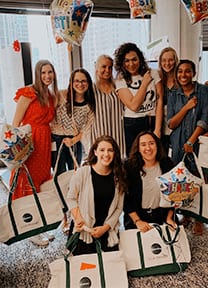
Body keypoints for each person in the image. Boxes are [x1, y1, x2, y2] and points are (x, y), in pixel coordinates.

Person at [10, 59, 59, 247]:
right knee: (26, 184)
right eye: (44, 72)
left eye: (50, 72)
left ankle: (40, 226)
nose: (47, 76)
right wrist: (18, 151)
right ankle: (29, 229)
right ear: (37, 74)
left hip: (44, 143)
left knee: (39, 184)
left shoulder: (50, 95)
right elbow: (15, 124)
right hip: (29, 142)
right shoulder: (28, 93)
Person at [167, 59, 208, 235]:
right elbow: (171, 123)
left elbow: (205, 119)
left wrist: (191, 141)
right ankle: (186, 215)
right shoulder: (173, 94)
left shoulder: (204, 92)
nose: (183, 75)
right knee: (182, 181)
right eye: (180, 72)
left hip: (198, 142)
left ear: (194, 73)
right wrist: (187, 107)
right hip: (178, 142)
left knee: (199, 179)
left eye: (187, 71)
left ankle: (199, 219)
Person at [51, 68, 95, 233]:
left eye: (83, 81)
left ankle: (76, 216)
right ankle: (64, 218)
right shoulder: (61, 96)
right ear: (71, 83)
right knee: (59, 179)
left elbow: (86, 129)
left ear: (88, 84)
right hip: (56, 141)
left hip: (74, 143)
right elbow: (48, 112)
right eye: (76, 81)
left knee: (75, 180)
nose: (80, 84)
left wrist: (73, 140)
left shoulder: (90, 104)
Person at [66, 135, 126, 255]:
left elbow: (119, 208)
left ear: (115, 153)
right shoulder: (83, 172)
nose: (106, 154)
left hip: (106, 230)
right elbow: (71, 198)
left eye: (110, 150)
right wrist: (78, 218)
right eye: (102, 150)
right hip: (85, 230)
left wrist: (105, 228)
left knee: (108, 268)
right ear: (95, 152)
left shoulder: (118, 176)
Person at [114, 42, 163, 157]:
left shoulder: (153, 73)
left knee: (154, 158)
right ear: (122, 63)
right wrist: (145, 83)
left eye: (134, 59)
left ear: (140, 59)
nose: (131, 64)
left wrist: (158, 129)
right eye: (127, 61)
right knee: (134, 160)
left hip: (151, 120)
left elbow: (159, 100)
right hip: (132, 123)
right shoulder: (121, 80)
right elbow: (134, 106)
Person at [123, 131, 177, 232]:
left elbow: (174, 194)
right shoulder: (129, 167)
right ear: (138, 148)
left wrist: (169, 218)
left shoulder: (167, 164)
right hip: (137, 218)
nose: (148, 148)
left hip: (163, 216)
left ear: (157, 145)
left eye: (151, 143)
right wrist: (138, 221)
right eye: (143, 145)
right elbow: (125, 200)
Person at [90, 54, 126, 158]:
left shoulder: (118, 85)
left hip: (118, 133)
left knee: (118, 163)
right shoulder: (91, 89)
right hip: (99, 133)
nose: (107, 70)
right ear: (96, 68)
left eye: (110, 67)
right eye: (104, 67)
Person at [158, 47, 179, 155]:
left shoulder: (181, 79)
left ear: (175, 61)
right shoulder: (158, 80)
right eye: (164, 60)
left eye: (170, 60)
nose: (167, 63)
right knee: (162, 156)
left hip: (178, 125)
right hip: (161, 126)